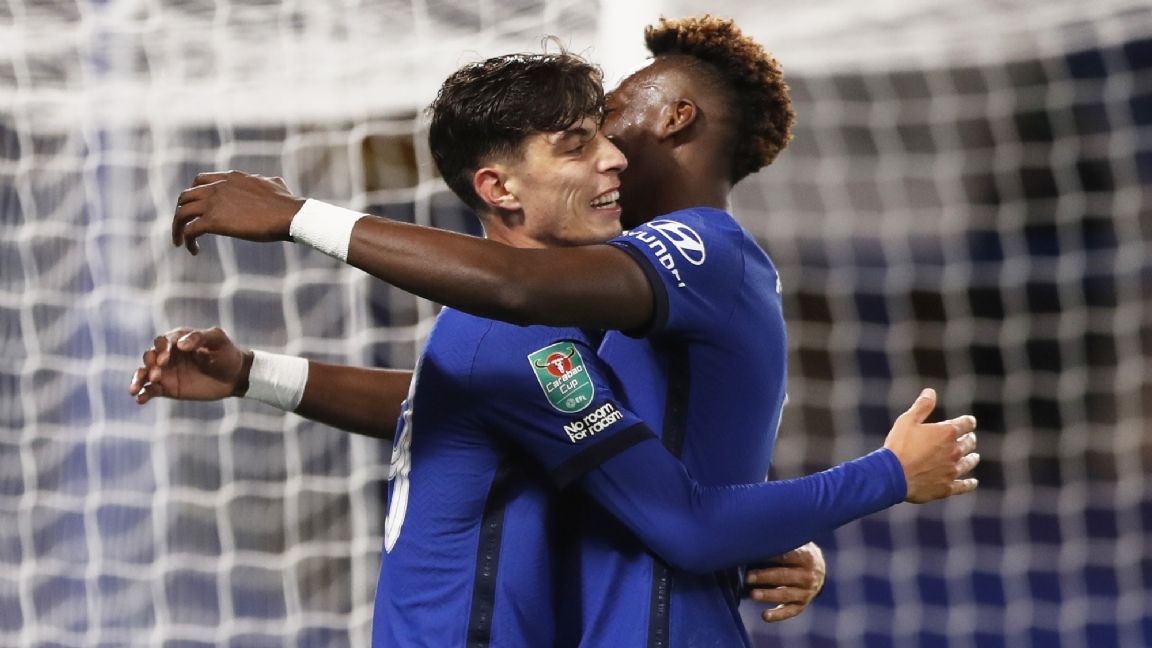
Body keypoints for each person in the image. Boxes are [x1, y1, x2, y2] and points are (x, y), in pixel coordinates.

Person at [150, 24, 979, 648]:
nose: (611, 151)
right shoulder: (532, 324)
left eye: (609, 122)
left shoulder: (682, 256)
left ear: (679, 117)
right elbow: (485, 392)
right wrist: (259, 364)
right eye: (583, 140)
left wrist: (794, 517)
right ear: (500, 187)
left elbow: (518, 353)